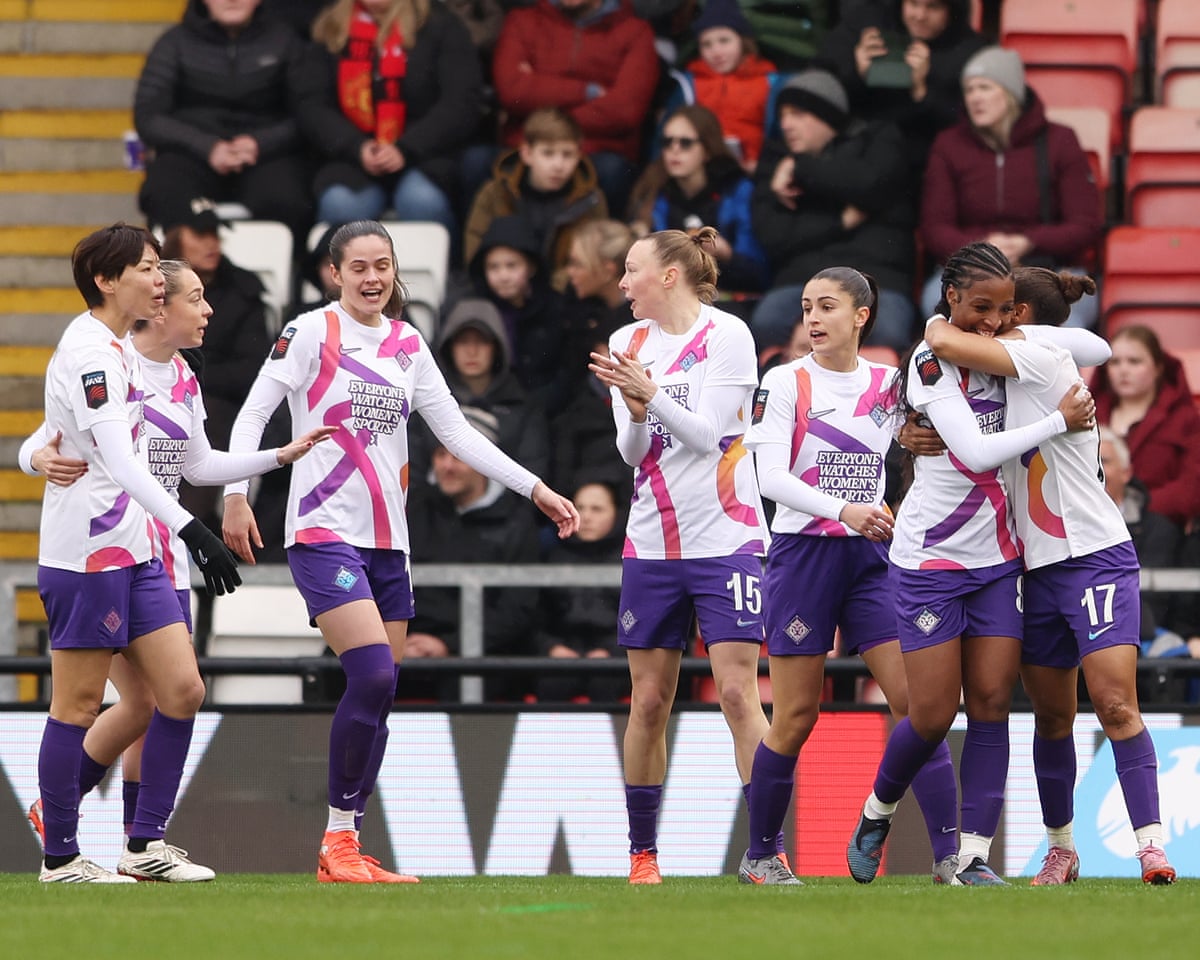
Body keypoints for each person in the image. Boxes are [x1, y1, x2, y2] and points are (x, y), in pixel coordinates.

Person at [221, 219, 579, 883]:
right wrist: (236, 493)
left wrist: (536, 489)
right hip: (322, 530)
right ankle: (337, 843)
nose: (371, 278)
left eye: (381, 264)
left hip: (390, 543)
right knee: (376, 675)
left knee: (382, 693)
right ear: (334, 274)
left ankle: (345, 847)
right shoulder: (308, 332)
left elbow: (458, 436)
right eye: (357, 266)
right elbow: (252, 414)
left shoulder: (408, 343)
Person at [20, 259, 332, 857]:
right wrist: (34, 461)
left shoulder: (184, 377)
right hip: (109, 551)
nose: (208, 309)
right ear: (158, 306)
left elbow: (197, 467)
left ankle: (141, 841)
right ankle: (72, 817)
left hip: (167, 554)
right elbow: (46, 435)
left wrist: (277, 456)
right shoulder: (111, 359)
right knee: (139, 700)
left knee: (171, 696)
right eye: (196, 297)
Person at [844, 241, 1094, 886]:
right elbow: (978, 454)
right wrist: (1057, 421)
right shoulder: (930, 359)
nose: (989, 320)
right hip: (931, 560)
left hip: (1000, 559)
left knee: (991, 705)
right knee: (930, 714)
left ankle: (970, 858)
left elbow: (1094, 351)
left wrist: (1016, 324)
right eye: (977, 307)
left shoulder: (1003, 349)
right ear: (949, 297)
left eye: (1003, 310)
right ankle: (878, 810)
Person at [922, 265, 1178, 885]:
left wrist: (936, 316)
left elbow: (946, 342)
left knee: (1116, 703)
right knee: (1052, 717)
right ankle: (1061, 848)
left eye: (1000, 309)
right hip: (1033, 567)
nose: (987, 318)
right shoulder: (1012, 369)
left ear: (1019, 319)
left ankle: (1151, 844)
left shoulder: (1037, 356)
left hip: (1092, 556)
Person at [31, 224, 242, 883]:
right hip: (89, 551)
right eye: (149, 269)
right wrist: (193, 529)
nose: (159, 279)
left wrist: (30, 453)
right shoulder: (93, 352)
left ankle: (144, 845)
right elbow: (119, 459)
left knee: (181, 689)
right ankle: (60, 855)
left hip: (137, 550)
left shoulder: (118, 350)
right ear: (107, 280)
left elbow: (52, 436)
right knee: (78, 705)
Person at [740, 267, 960, 885]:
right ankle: (761, 856)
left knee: (920, 708)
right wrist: (846, 510)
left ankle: (951, 858)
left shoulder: (890, 386)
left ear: (861, 316)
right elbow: (769, 478)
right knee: (796, 715)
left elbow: (928, 444)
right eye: (807, 306)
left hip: (870, 560)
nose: (813, 317)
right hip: (803, 556)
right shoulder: (784, 381)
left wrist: (922, 446)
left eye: (827, 306)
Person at [588, 227, 770, 884]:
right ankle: (642, 856)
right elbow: (632, 452)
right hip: (653, 542)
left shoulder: (728, 337)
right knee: (648, 700)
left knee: (736, 693)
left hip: (727, 537)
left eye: (631, 271)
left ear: (669, 275)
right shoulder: (625, 342)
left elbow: (711, 437)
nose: (622, 285)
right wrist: (636, 409)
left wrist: (652, 394)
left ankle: (766, 851)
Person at [919, 46, 1103, 328]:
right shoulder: (949, 145)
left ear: (1011, 92)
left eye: (985, 87)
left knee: (1068, 324)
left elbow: (1085, 224)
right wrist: (983, 248)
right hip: (972, 271)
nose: (975, 97)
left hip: (1048, 269)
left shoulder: (1060, 141)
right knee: (938, 305)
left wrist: (1029, 241)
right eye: (969, 90)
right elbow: (935, 229)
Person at [750, 69, 918, 354]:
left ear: (827, 116)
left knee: (886, 329)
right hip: (801, 280)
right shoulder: (776, 158)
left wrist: (802, 168)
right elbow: (772, 235)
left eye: (799, 114)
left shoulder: (879, 141)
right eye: (783, 115)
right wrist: (839, 222)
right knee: (767, 321)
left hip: (876, 279)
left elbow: (869, 186)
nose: (787, 124)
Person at [134, 0, 316, 241]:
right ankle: (176, 275)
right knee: (163, 191)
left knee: (291, 201)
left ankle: (283, 276)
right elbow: (149, 116)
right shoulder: (174, 43)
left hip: (268, 157)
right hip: (193, 155)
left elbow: (310, 113)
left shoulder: (286, 41)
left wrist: (259, 144)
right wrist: (207, 146)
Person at [302, 0, 483, 235]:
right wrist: (356, 147)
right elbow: (311, 105)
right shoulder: (331, 27)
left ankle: (448, 271)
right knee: (341, 204)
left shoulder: (440, 24)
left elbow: (461, 101)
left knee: (420, 201)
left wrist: (406, 148)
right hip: (351, 156)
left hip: (426, 152)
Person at [405, 406, 545, 701]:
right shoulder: (413, 510)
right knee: (338, 664)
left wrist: (449, 645)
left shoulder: (517, 522)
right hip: (406, 640)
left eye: (458, 457)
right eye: (440, 455)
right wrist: (398, 639)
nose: (447, 466)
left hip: (483, 651)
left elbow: (517, 609)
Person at [491, 0, 660, 217]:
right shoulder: (522, 21)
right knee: (476, 163)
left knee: (613, 171)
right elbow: (512, 90)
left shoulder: (634, 30)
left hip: (596, 149)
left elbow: (625, 109)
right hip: (525, 147)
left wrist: (536, 86)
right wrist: (586, 91)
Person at [817, 0, 986, 179]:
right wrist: (858, 73)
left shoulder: (972, 52)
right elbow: (821, 87)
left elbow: (968, 125)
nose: (920, 16)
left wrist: (922, 92)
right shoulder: (869, 23)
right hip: (862, 147)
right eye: (913, 4)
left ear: (951, 11)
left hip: (925, 162)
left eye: (933, 7)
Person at [627, 105, 769, 295]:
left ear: (707, 149)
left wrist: (726, 254)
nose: (674, 150)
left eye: (685, 143)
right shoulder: (654, 190)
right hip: (668, 297)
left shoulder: (738, 190)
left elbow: (760, 274)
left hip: (731, 296)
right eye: (668, 142)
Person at [463, 108, 608, 282]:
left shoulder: (591, 200)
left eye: (567, 154)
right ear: (527, 154)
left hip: (564, 296)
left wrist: (549, 292)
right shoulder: (495, 192)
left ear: (578, 156)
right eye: (548, 153)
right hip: (503, 289)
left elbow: (593, 257)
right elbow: (476, 246)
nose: (558, 165)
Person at [1090, 325, 1200, 532]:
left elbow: (1191, 487)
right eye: (1115, 362)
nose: (1123, 370)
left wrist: (1137, 509)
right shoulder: (1086, 414)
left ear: (1158, 368)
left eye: (1134, 361)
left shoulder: (1186, 419)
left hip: (1160, 532)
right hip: (1093, 527)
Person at [660, 0, 781, 173]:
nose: (716, 52)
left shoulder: (769, 83)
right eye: (706, 44)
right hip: (700, 174)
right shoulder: (689, 84)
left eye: (724, 41)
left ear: (742, 41)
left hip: (755, 174)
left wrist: (762, 167)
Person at [535, 480, 628, 703]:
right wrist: (551, 647)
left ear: (616, 513)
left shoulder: (633, 560)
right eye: (580, 508)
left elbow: (644, 620)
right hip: (562, 656)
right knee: (552, 683)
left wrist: (611, 652)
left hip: (618, 661)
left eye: (597, 509)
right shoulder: (553, 559)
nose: (586, 516)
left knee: (604, 682)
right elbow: (534, 618)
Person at [467, 216, 570, 409]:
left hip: (547, 410)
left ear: (531, 267)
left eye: (512, 266)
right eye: (493, 267)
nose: (503, 276)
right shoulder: (473, 308)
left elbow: (566, 374)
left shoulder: (556, 307)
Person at [1098, 428, 1184, 653]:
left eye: (1103, 461)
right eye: (1086, 462)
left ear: (1126, 472)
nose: (1094, 470)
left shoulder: (1159, 529)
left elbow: (1155, 601)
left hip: (1142, 632)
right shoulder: (1060, 527)